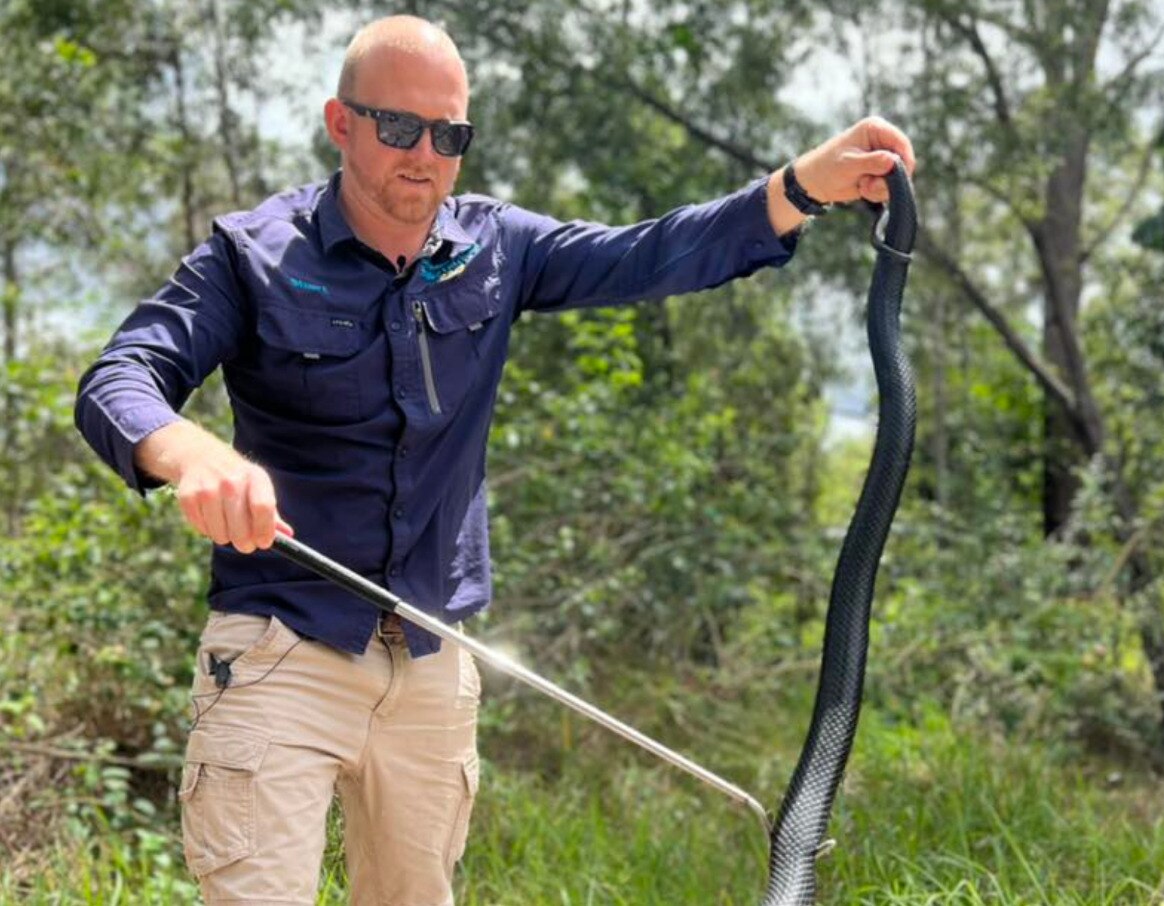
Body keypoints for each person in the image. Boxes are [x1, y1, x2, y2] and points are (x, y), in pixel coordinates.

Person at [75, 14, 917, 906]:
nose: (425, 154)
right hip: (281, 650)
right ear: (341, 122)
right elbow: (120, 376)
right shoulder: (252, 255)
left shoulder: (498, 247)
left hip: (434, 662)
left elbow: (650, 252)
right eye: (399, 127)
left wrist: (799, 187)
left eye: (450, 135)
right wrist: (192, 455)